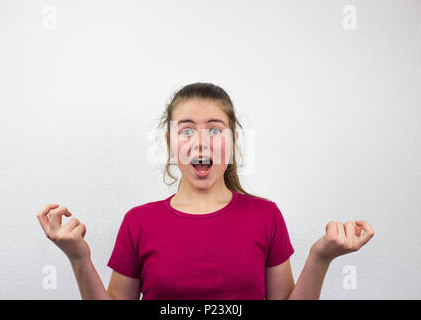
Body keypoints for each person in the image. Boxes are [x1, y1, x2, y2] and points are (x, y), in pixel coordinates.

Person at [36, 82, 375, 300]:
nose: (200, 141)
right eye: (186, 131)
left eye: (215, 130)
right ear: (169, 143)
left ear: (233, 142)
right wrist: (79, 259)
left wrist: (320, 257)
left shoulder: (265, 216)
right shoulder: (138, 222)